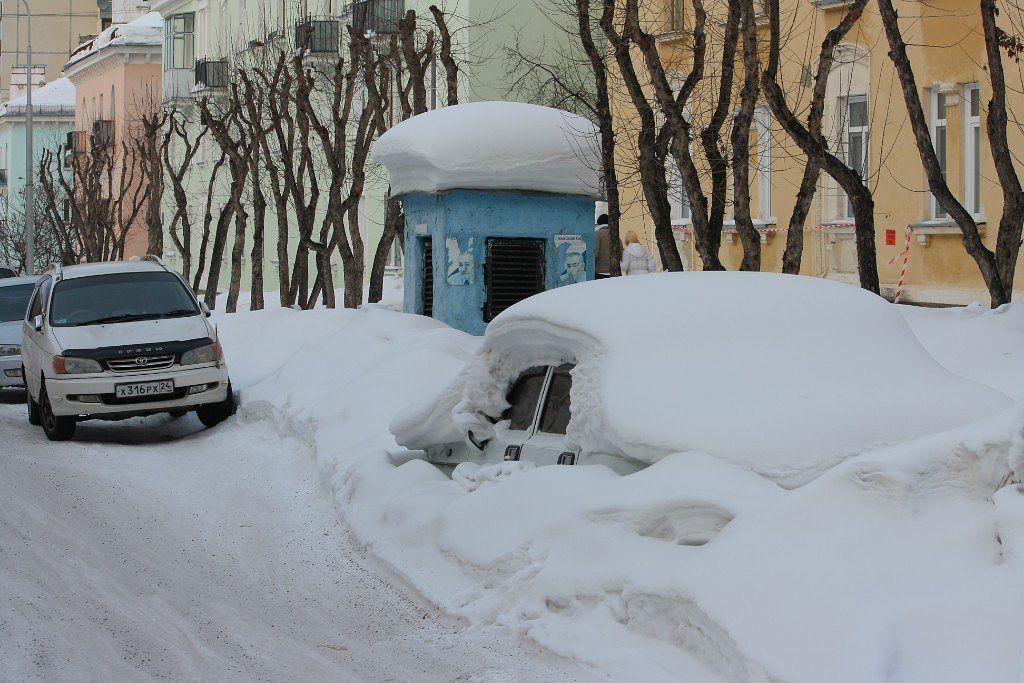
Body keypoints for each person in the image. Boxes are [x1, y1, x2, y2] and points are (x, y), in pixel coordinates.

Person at [594, 214, 611, 279]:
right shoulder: (615, 234)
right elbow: (620, 252)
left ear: (598, 223)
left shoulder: (597, 234)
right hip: (613, 270)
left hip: (600, 270)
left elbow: (595, 253)